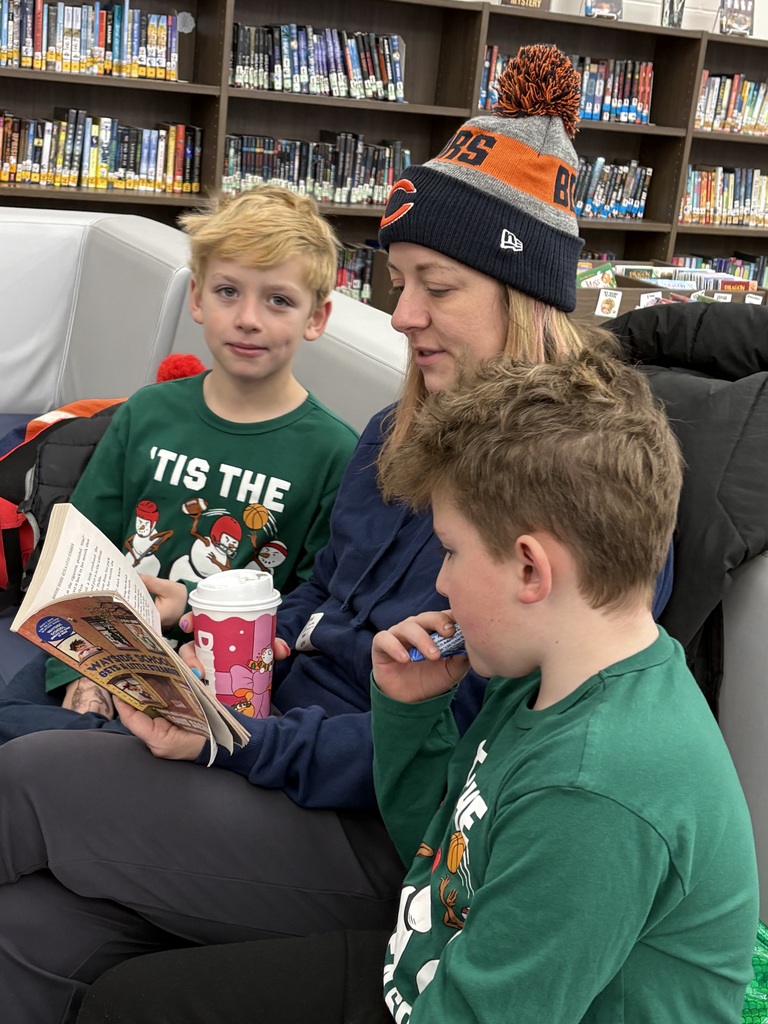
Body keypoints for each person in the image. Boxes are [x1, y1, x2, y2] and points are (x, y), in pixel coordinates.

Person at [0, 45, 672, 1024]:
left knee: (23, 779)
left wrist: (243, 746)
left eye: (435, 286)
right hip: (271, 753)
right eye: (397, 281)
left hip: (382, 830)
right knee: (32, 930)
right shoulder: (392, 432)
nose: (401, 317)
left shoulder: (580, 488)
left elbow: (467, 750)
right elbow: (319, 607)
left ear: (521, 294)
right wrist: (222, 650)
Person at [74, 353, 757, 1024]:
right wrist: (408, 710)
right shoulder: (547, 675)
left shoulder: (594, 791)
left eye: (452, 552)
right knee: (126, 996)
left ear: (530, 569)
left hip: (446, 993)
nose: (441, 584)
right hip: (427, 963)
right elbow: (438, 854)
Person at [43, 185, 360, 714]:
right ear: (196, 297)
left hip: (225, 686)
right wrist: (79, 672)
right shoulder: (147, 412)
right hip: (99, 655)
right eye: (228, 292)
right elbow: (80, 550)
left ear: (317, 318)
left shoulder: (333, 451)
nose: (248, 319)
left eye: (278, 300)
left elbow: (313, 602)